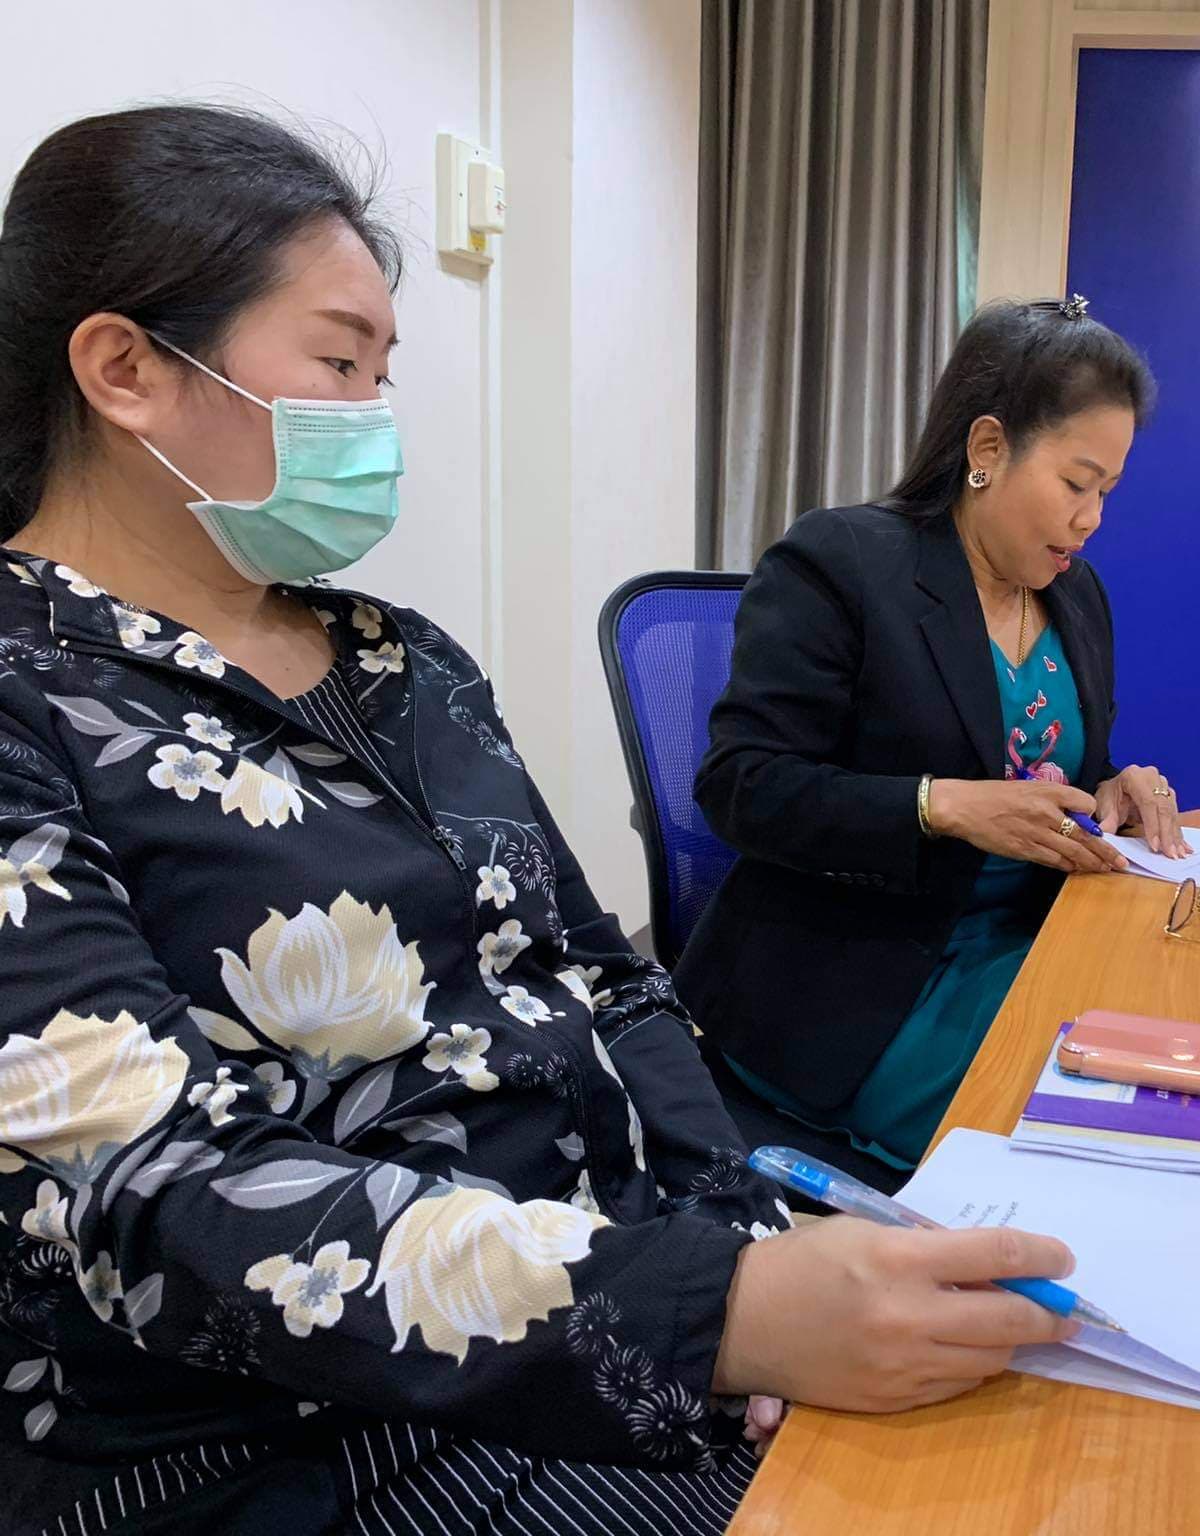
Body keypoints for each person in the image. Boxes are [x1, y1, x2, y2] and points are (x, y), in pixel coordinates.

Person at [0, 106, 1080, 1536]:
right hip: (300, 1436)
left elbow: (608, 977)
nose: (371, 418)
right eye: (338, 364)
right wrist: (717, 1314)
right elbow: (151, 1193)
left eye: (383, 375)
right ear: (125, 368)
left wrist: (738, 1230)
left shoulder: (405, 662)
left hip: (636, 1318)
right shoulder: (27, 702)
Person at [681, 298, 1184, 1173]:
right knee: (1110, 1141)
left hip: (1030, 946)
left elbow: (1056, 769)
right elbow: (740, 786)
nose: (1093, 518)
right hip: (861, 987)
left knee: (1189, 1054)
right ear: (987, 448)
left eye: (1107, 491)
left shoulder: (1076, 595)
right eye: (1075, 484)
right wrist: (935, 805)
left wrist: (1111, 788)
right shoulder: (841, 561)